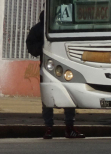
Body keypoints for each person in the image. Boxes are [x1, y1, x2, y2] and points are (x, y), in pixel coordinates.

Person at [25, 11, 85, 139]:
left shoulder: (64, 27)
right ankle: (50, 128)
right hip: (48, 66)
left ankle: (66, 128)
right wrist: (43, 47)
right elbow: (31, 45)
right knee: (49, 98)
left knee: (68, 97)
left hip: (65, 66)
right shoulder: (40, 28)